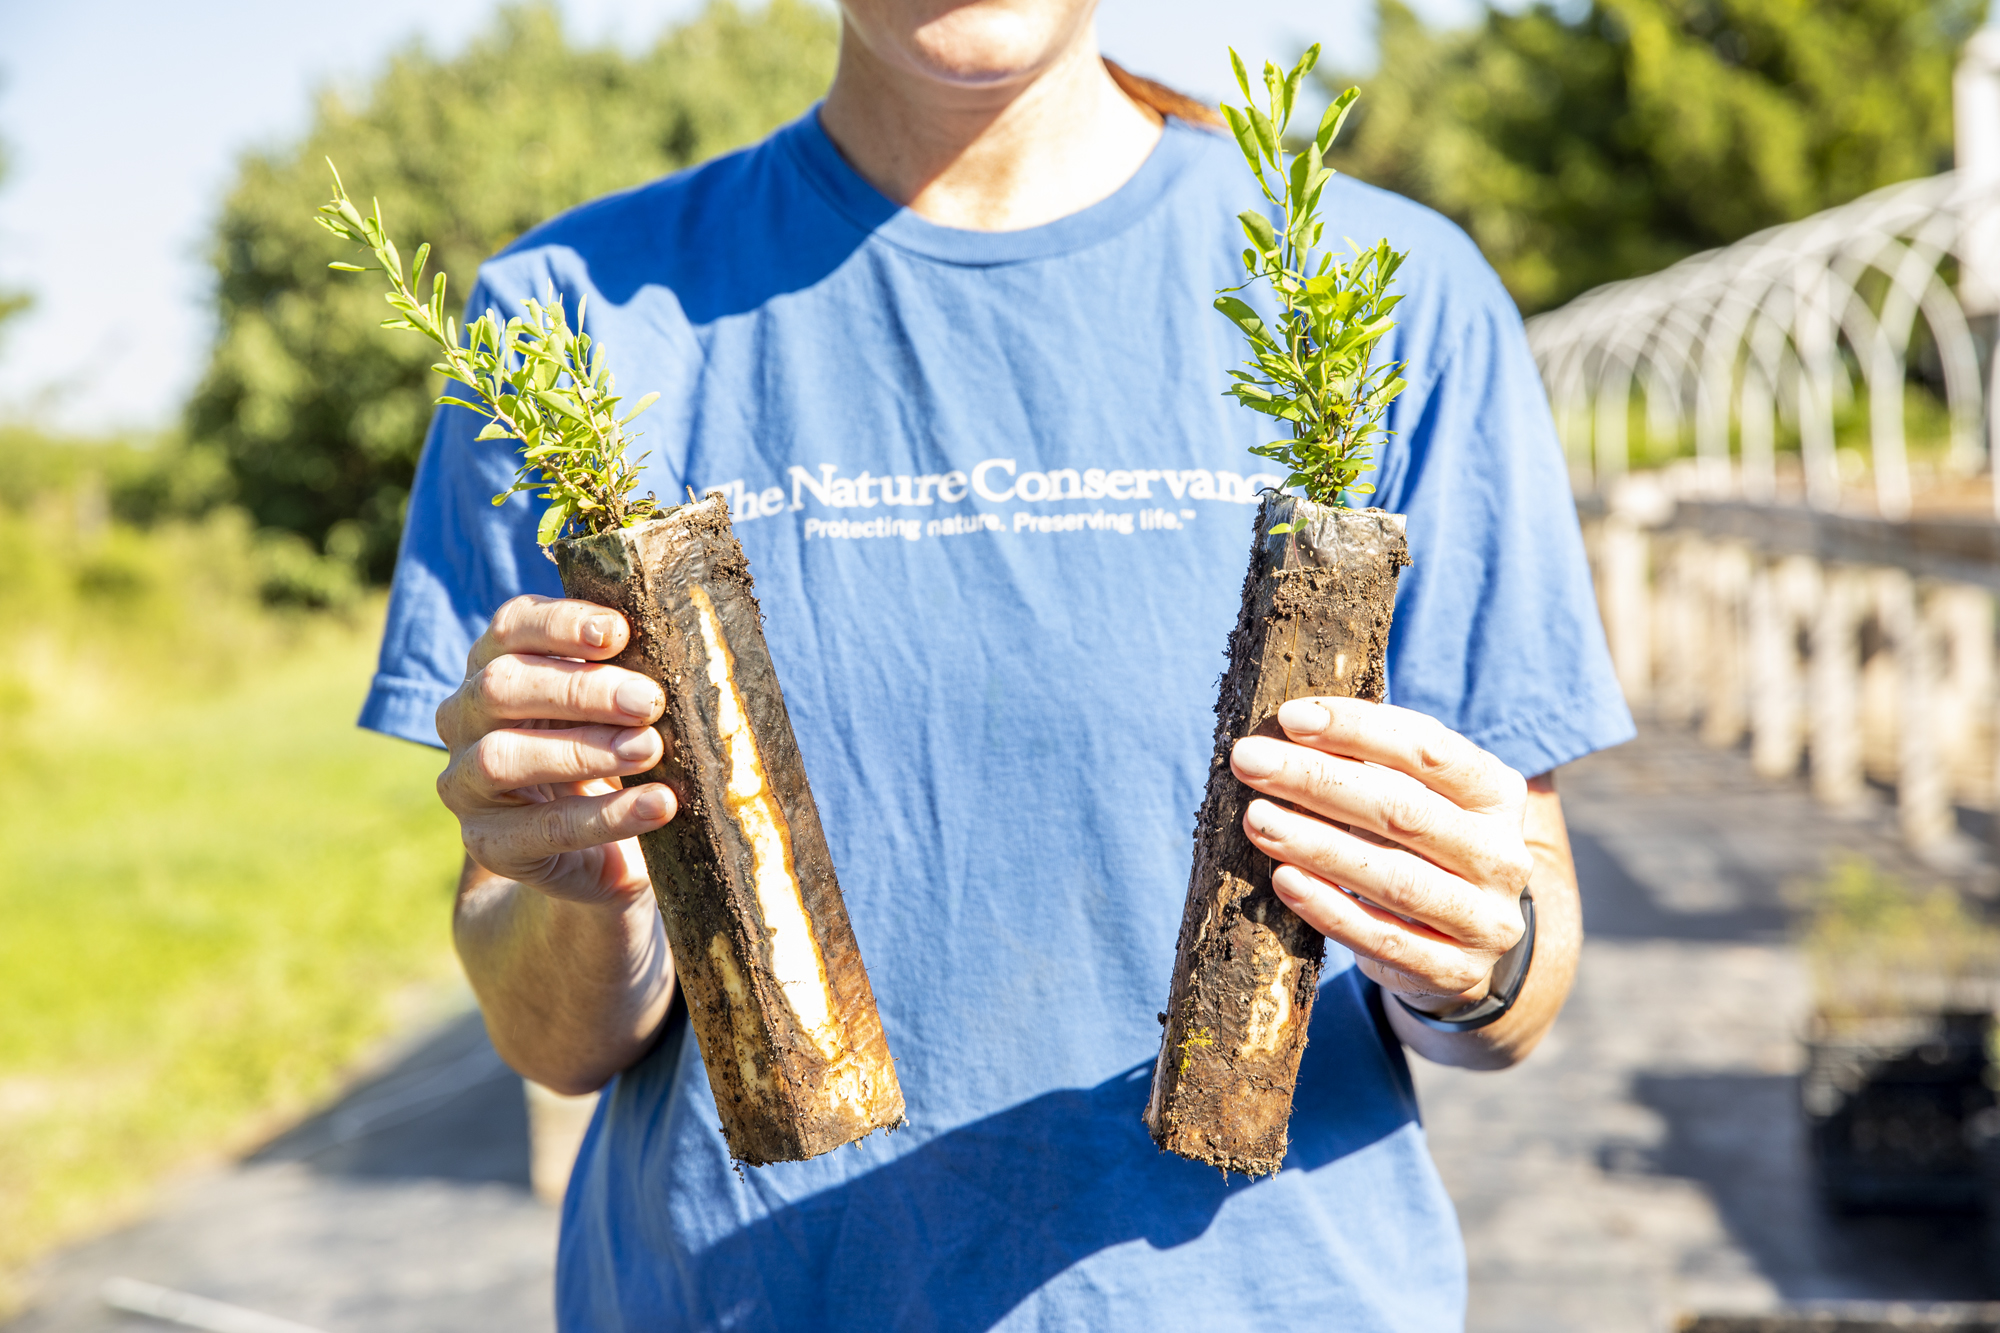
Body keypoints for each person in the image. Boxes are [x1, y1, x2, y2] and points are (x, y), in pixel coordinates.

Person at [360, 1, 1634, 1327]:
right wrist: (589, 895)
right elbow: (549, 1032)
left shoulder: (1393, 294)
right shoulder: (573, 319)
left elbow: (1520, 982)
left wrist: (1474, 948)